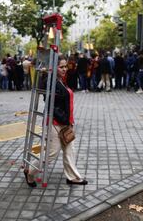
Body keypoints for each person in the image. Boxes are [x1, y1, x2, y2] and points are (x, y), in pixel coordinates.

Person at [25, 55, 88, 187]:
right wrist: (65, 120)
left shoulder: (60, 80)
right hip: (55, 124)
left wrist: (68, 121)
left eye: (66, 66)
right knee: (51, 154)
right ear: (54, 68)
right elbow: (50, 106)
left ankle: (73, 177)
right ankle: (30, 172)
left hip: (65, 123)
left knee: (70, 150)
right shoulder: (50, 82)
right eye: (61, 67)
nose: (65, 69)